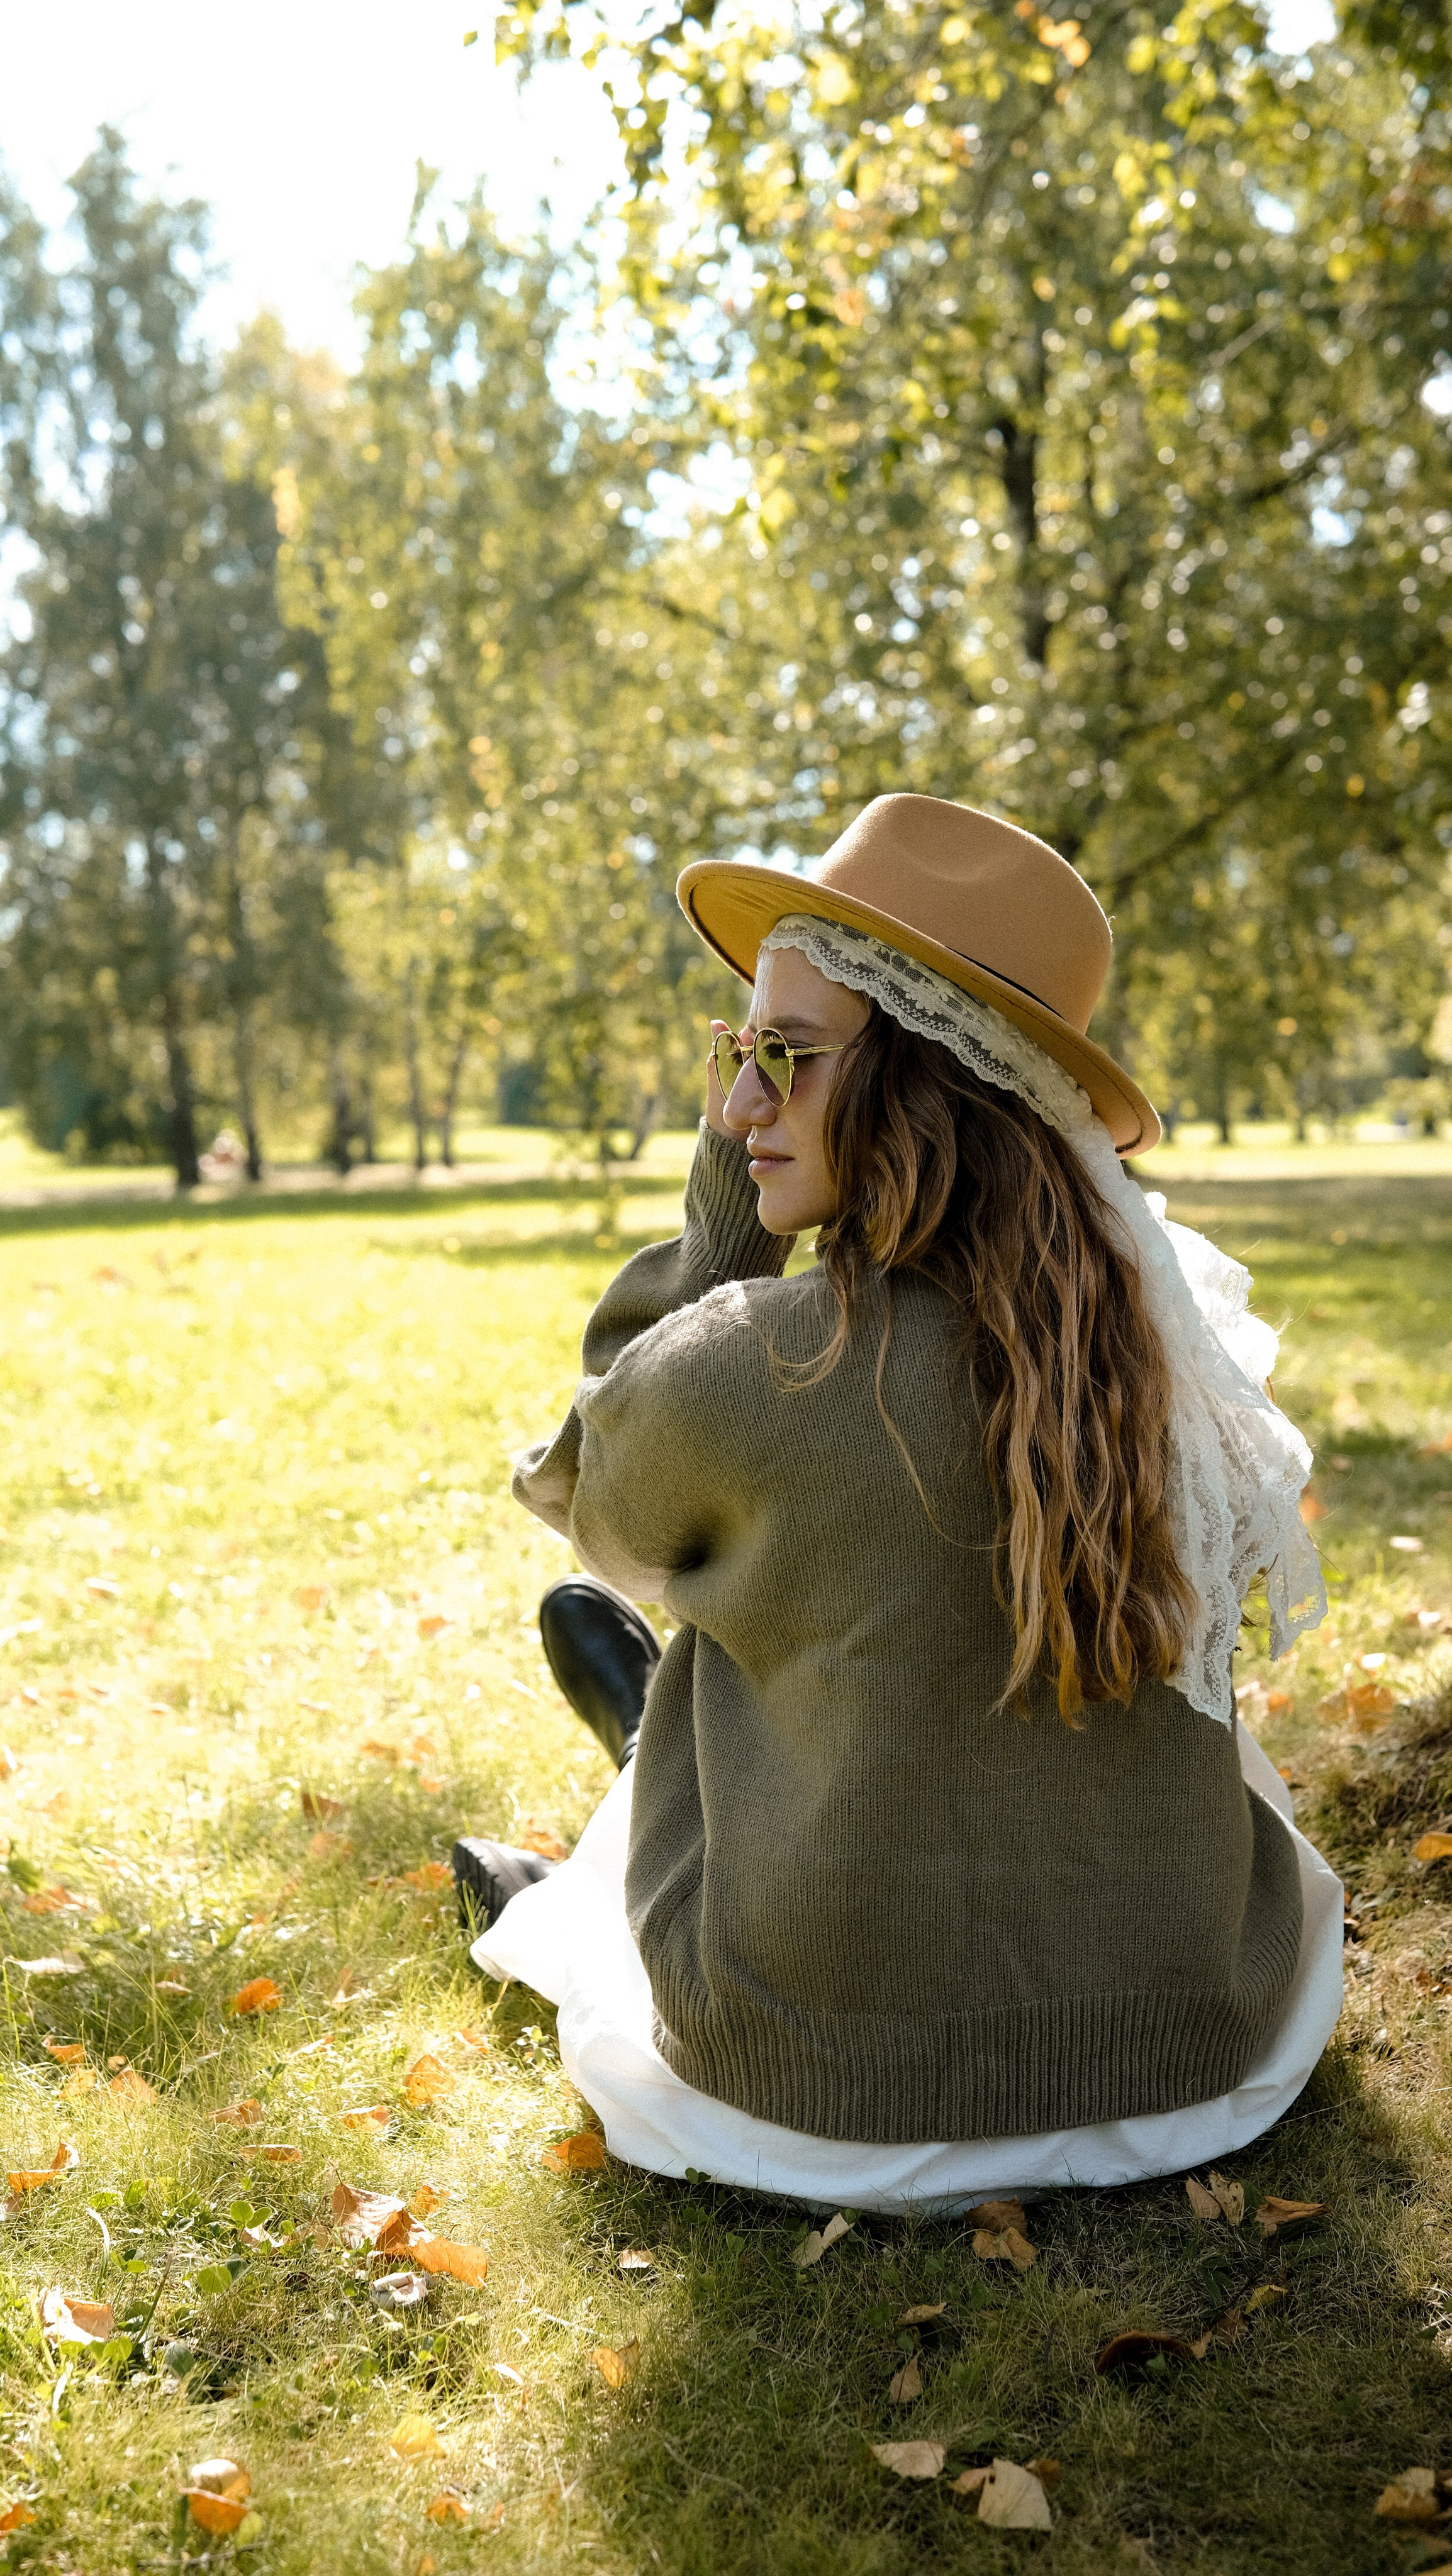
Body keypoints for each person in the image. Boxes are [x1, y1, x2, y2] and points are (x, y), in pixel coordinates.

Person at [455, 794, 1343, 2208]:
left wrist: (725, 1225)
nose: (739, 1106)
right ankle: (628, 1750)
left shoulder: (754, 1360)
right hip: (1187, 2067)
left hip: (824, 2092)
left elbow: (591, 1497)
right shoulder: (1172, 1358)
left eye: (788, 1057)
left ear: (927, 1083)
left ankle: (600, 1801)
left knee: (701, 1661)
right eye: (737, 1052)